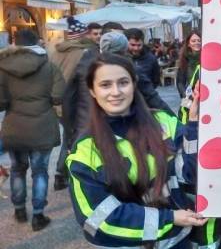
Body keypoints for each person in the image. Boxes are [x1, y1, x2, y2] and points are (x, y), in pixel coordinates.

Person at [66, 53, 208, 247]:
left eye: (123, 82)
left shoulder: (164, 122)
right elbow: (97, 219)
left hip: (175, 242)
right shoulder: (85, 150)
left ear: (134, 84)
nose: (115, 92)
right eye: (105, 85)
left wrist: (193, 124)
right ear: (92, 90)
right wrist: (169, 218)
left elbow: (190, 175)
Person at [0, 29, 64, 231]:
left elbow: (1, 103)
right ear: (37, 42)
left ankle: (19, 209)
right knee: (40, 171)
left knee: (18, 169)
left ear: (14, 44)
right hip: (42, 126)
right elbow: (58, 96)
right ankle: (38, 215)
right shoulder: (50, 67)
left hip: (15, 126)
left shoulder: (2, 68)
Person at [48, 16, 97, 191]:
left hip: (56, 102)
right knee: (74, 138)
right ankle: (64, 174)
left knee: (69, 137)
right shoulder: (84, 53)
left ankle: (62, 174)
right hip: (74, 103)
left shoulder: (56, 52)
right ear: (82, 36)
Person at [177, 30, 202, 124]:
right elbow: (180, 82)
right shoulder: (184, 60)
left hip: (204, 99)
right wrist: (186, 98)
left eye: (199, 40)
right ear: (188, 44)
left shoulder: (207, 59)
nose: (197, 43)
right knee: (185, 120)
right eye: (193, 41)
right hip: (188, 97)